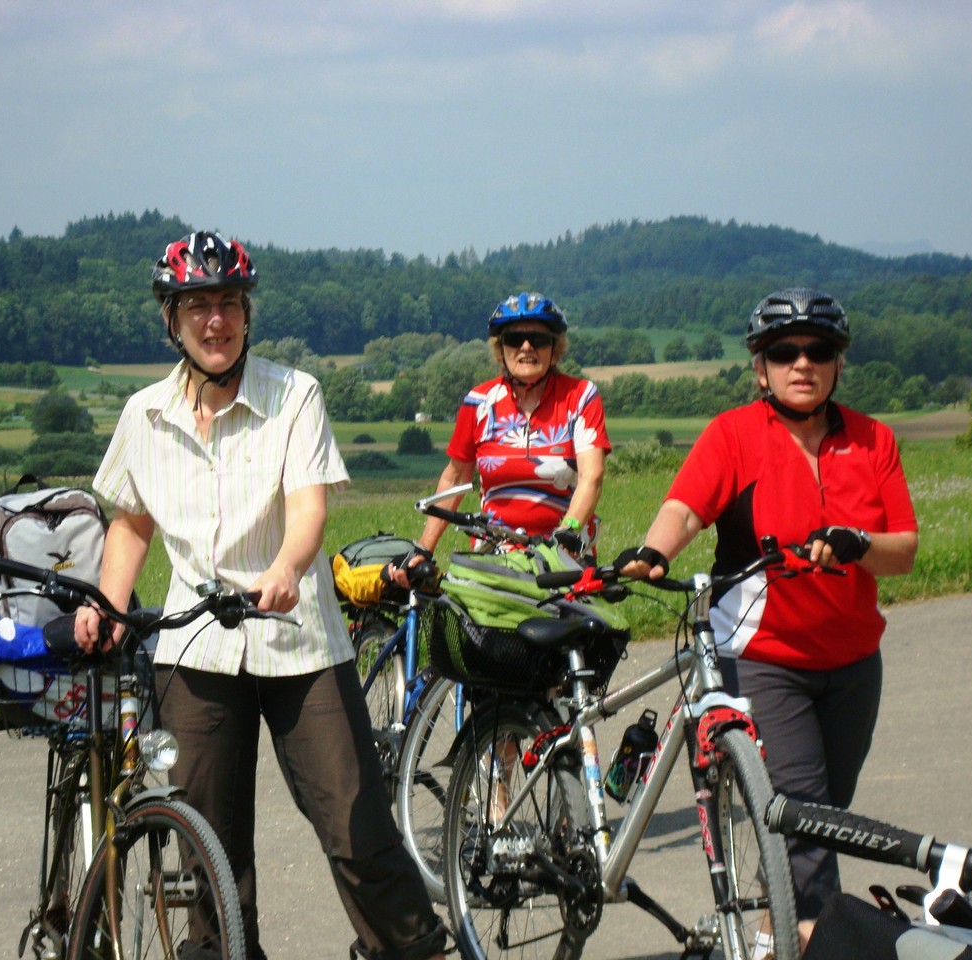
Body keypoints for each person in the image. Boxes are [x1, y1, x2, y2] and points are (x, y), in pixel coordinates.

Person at [73, 231, 447, 960]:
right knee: (206, 846)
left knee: (354, 822)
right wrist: (109, 605)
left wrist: (284, 568)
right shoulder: (145, 414)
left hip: (298, 638)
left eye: (229, 303)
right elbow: (131, 522)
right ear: (172, 320)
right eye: (198, 306)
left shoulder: (293, 395)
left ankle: (416, 951)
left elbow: (308, 507)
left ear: (247, 314)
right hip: (196, 649)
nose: (215, 320)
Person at [614, 288, 919, 950]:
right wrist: (655, 551)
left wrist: (859, 543)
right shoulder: (734, 435)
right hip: (761, 656)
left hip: (853, 663)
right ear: (760, 368)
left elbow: (903, 552)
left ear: (838, 363)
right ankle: (810, 939)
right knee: (806, 823)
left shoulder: (874, 440)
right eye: (784, 352)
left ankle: (767, 934)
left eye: (818, 351)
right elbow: (685, 509)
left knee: (820, 817)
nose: (802, 363)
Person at [393, 291, 610, 582]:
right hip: (495, 554)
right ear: (501, 348)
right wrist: (424, 548)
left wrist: (568, 531)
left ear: (555, 348)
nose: (526, 347)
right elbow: (455, 479)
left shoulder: (580, 396)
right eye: (514, 339)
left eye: (539, 339)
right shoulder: (479, 402)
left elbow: (591, 476)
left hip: (564, 552)